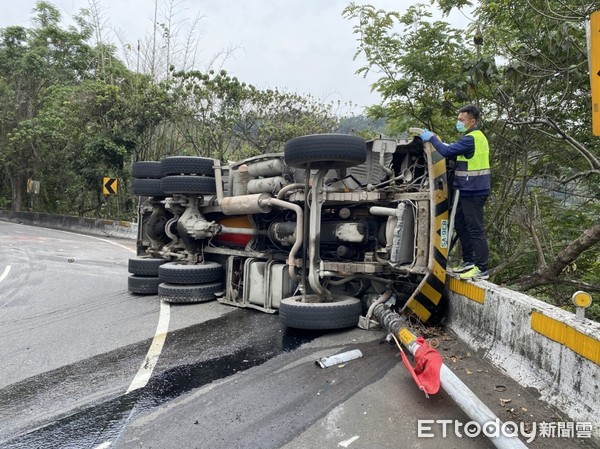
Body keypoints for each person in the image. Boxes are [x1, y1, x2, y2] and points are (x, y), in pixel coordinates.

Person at [420, 105, 490, 280]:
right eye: (458, 119)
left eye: (461, 120)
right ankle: (469, 262)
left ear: (472, 121)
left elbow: (447, 152)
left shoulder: (471, 138)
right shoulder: (470, 138)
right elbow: (453, 151)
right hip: (467, 189)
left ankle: (482, 269)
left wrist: (432, 139)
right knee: (460, 223)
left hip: (474, 190)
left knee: (475, 229)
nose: (458, 122)